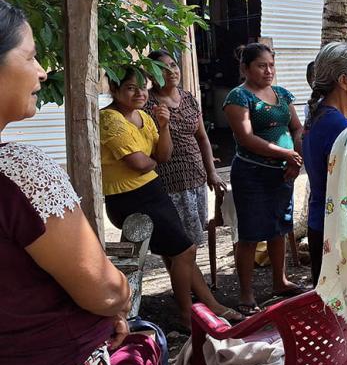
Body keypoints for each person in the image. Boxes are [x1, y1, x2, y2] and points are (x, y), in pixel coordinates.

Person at [0, 0, 130, 365]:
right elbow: (104, 290)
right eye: (30, 57)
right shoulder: (19, 172)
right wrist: (119, 298)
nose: (42, 72)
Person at [100, 67, 242, 328]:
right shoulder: (109, 119)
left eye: (142, 87)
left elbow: (164, 155)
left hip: (151, 191)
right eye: (130, 88)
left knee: (183, 250)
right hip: (129, 198)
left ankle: (210, 305)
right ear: (114, 89)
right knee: (185, 250)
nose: (139, 93)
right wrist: (151, 161)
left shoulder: (145, 116)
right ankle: (187, 315)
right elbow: (139, 164)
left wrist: (164, 126)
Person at [223, 43, 304, 314]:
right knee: (250, 233)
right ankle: (246, 294)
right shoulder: (238, 97)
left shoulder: (282, 93)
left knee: (279, 228)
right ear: (245, 68)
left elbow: (297, 128)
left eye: (271, 65)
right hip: (252, 174)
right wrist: (287, 154)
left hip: (283, 172)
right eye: (261, 65)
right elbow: (246, 138)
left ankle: (279, 281)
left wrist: (295, 161)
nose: (268, 70)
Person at [303, 42, 347, 286]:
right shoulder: (337, 126)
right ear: (344, 81)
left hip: (321, 224)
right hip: (336, 232)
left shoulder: (321, 116)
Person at [143, 50, 226, 246]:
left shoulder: (188, 98)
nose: (171, 71)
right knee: (175, 241)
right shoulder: (147, 104)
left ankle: (190, 267)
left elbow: (202, 138)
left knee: (195, 238)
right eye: (162, 69)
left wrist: (211, 172)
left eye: (173, 65)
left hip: (196, 175)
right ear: (151, 75)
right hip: (167, 180)